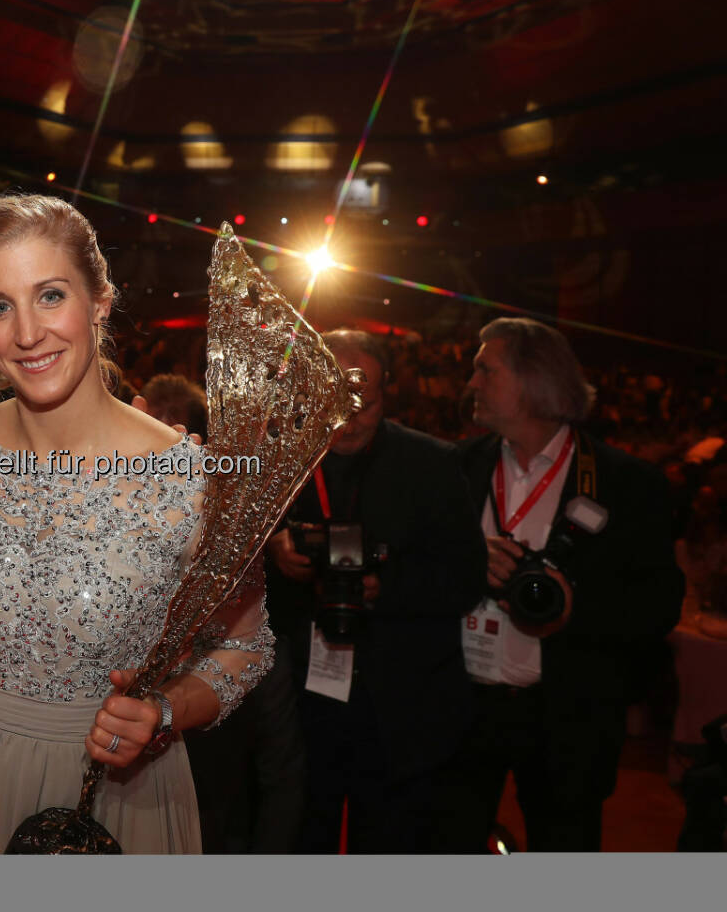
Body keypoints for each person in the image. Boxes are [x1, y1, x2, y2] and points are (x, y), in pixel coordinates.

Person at [0, 193, 274, 854]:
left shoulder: (191, 481)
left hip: (123, 796)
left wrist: (164, 712)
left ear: (99, 303)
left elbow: (246, 646)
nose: (26, 334)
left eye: (50, 296)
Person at [433, 318, 683, 852]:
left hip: (566, 720)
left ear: (533, 379)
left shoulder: (626, 483)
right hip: (461, 711)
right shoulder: (456, 468)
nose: (470, 383)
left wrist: (573, 610)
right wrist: (465, 567)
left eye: (485, 369)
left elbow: (660, 605)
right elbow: (417, 573)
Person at [263, 331, 486, 853]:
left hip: (403, 702)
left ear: (388, 393)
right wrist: (276, 553)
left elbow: (466, 577)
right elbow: (231, 573)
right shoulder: (281, 459)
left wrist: (384, 587)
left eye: (364, 398)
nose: (351, 412)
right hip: (303, 696)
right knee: (304, 837)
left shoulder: (432, 463)